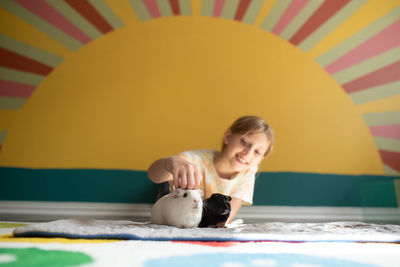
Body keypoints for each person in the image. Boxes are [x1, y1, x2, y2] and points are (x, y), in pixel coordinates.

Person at [147, 115, 274, 224]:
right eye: (244, 142)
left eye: (257, 152)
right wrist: (169, 162)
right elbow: (153, 175)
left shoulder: (248, 171)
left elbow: (226, 219)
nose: (248, 153)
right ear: (228, 136)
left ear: (261, 159)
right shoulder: (193, 160)